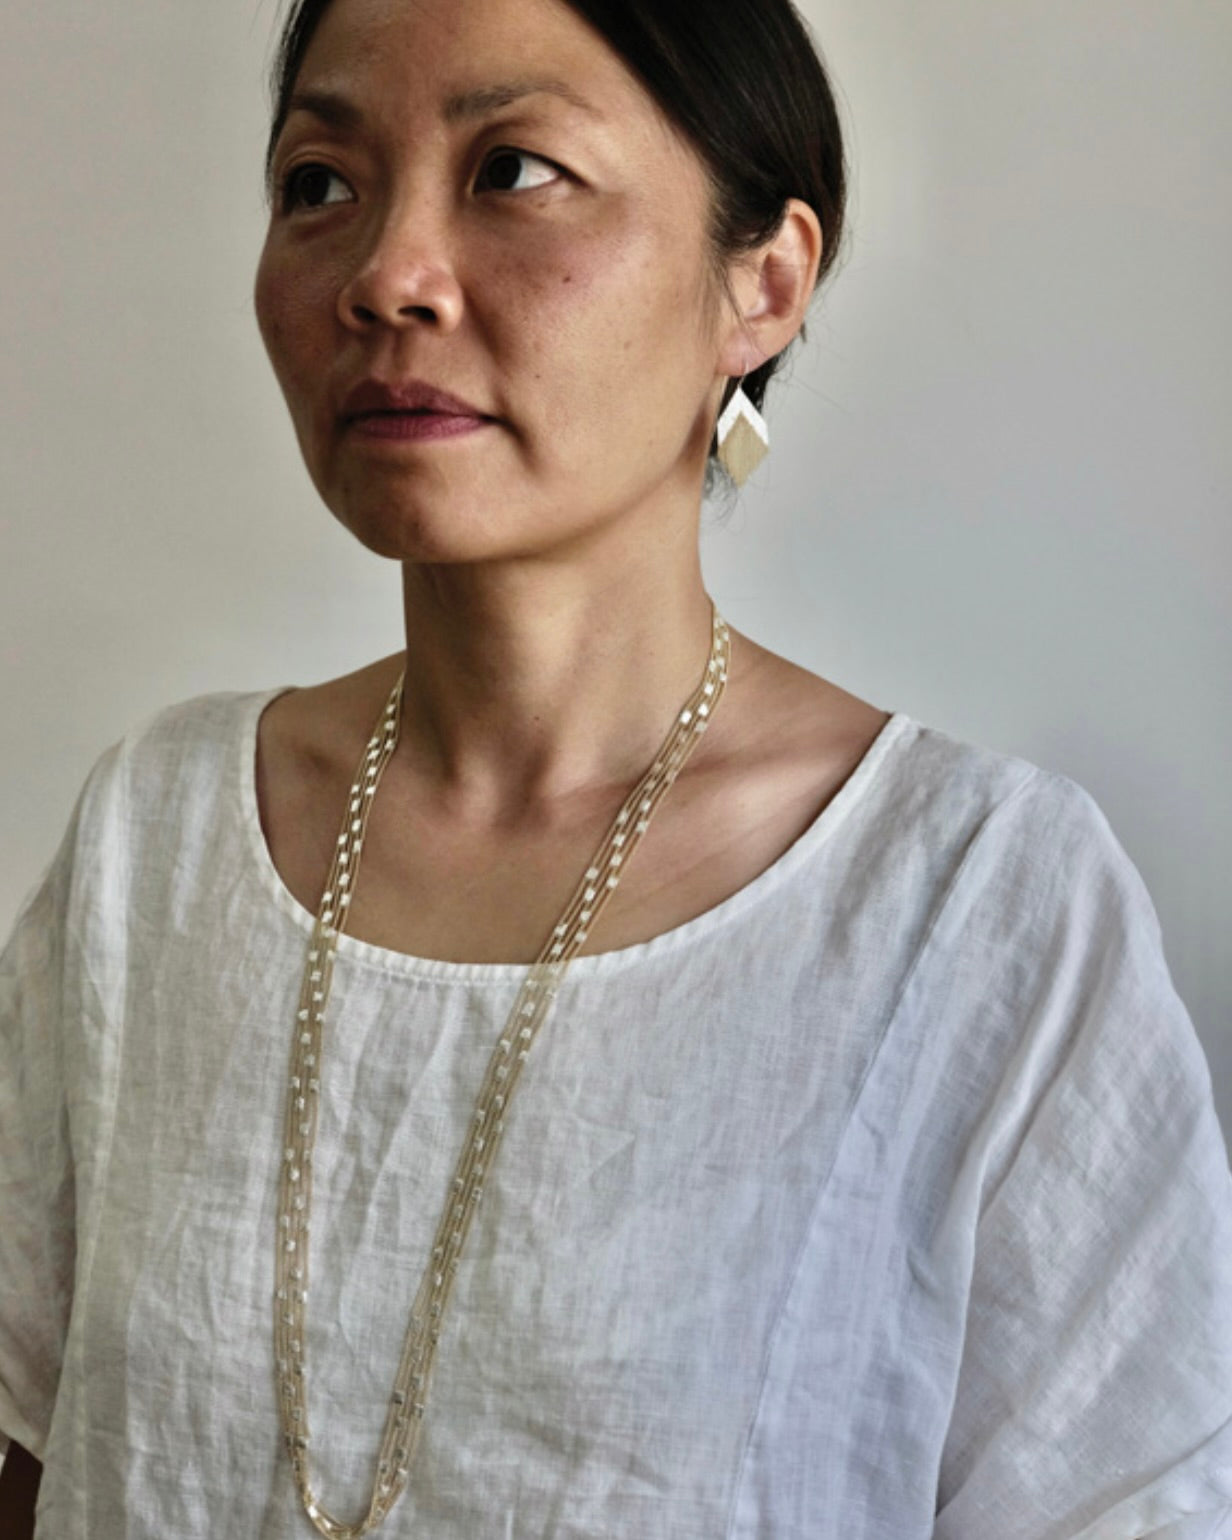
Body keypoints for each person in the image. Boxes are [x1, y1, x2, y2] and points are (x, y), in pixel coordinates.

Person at [2, 0, 1230, 1534]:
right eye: (321, 181)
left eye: (514, 170)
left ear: (763, 283)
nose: (387, 274)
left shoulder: (974, 911)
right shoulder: (158, 844)